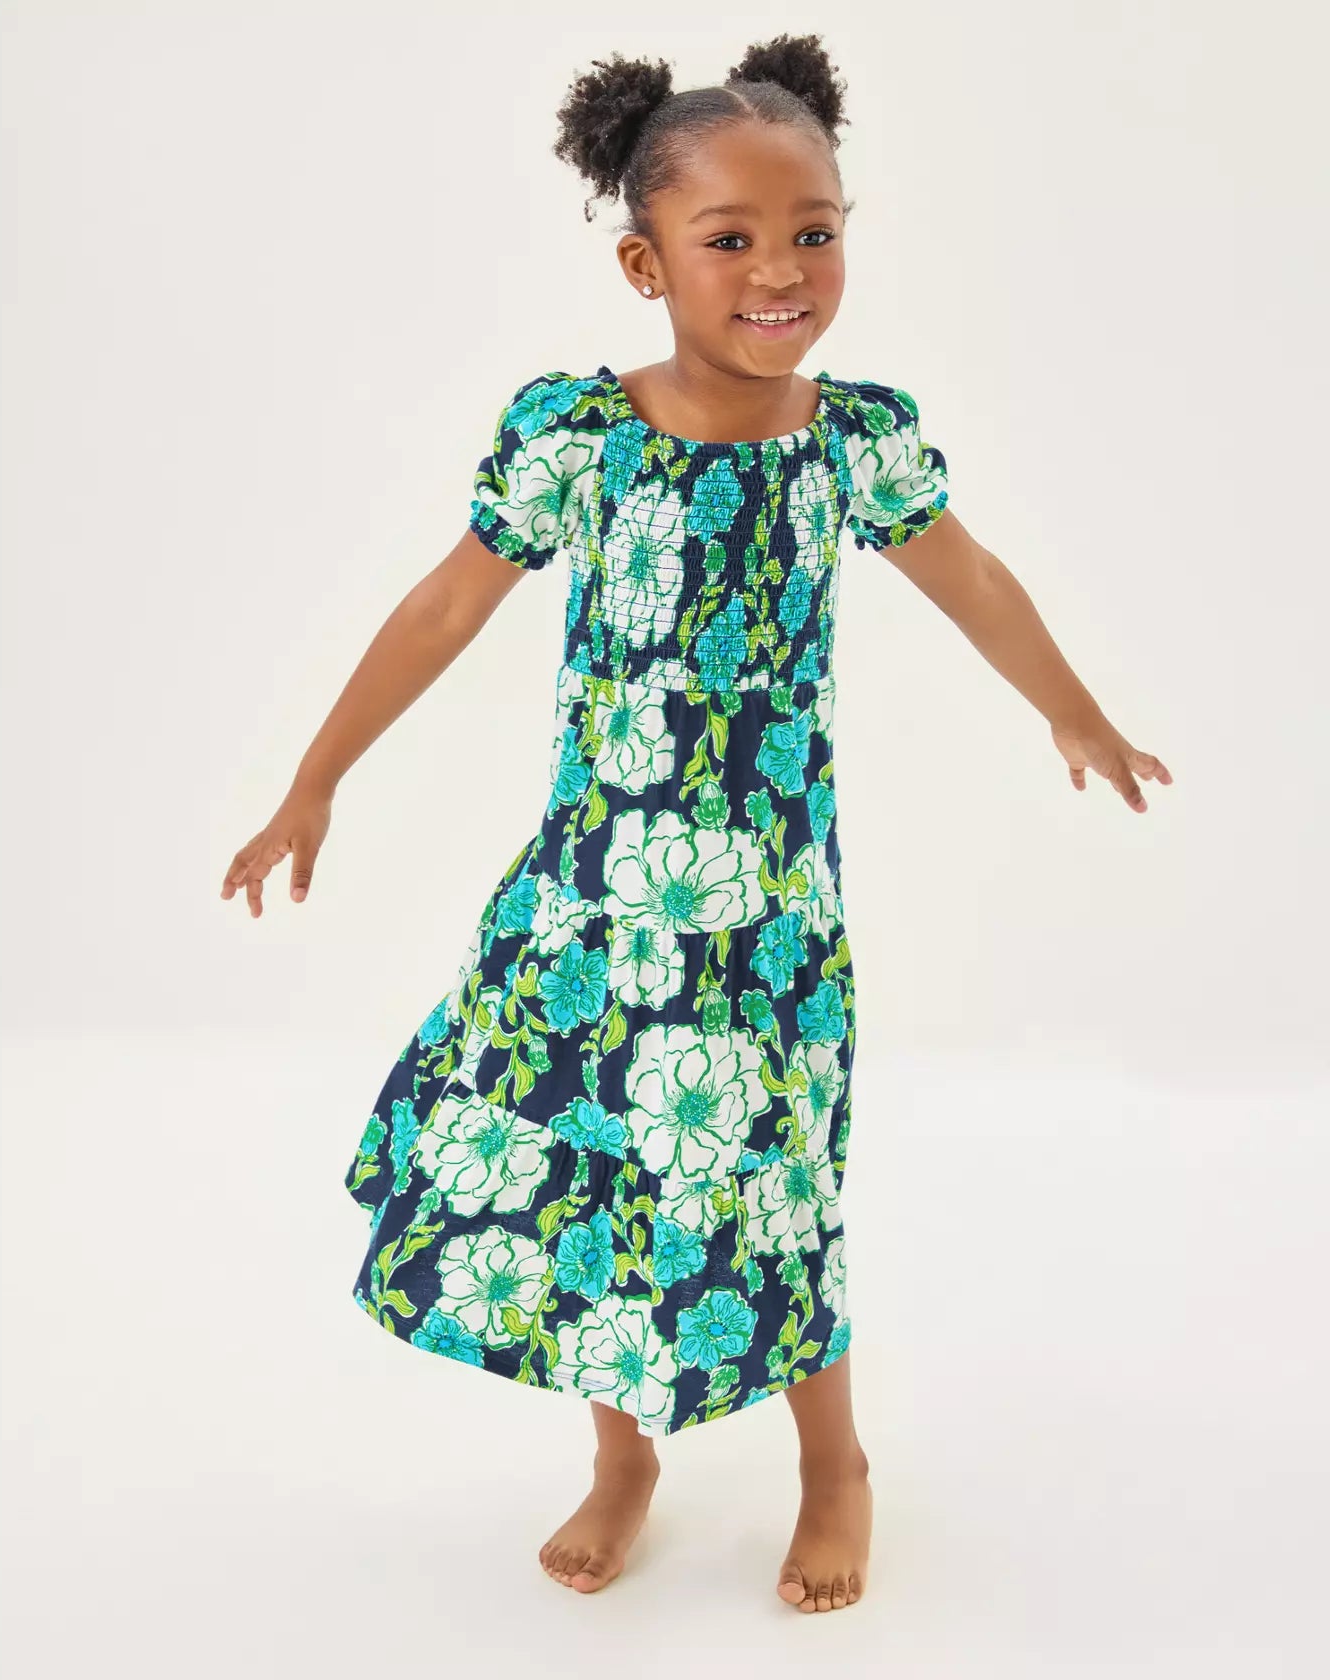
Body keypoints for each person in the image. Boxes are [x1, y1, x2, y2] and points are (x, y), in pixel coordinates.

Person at [220, 33, 1172, 1612]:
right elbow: (448, 605)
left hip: (771, 922)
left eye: (815, 229)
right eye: (731, 240)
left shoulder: (851, 442)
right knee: (595, 1179)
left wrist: (1067, 706)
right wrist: (316, 777)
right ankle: (623, 1455)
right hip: (596, 906)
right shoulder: (580, 435)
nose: (781, 267)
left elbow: (974, 579)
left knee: (775, 1181)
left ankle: (833, 1463)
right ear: (644, 260)